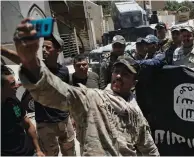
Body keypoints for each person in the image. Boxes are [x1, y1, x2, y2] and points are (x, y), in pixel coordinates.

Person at [13, 18, 160, 156]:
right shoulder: (93, 99)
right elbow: (59, 92)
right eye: (117, 71)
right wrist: (32, 65)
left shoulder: (135, 113)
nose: (119, 76)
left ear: (134, 83)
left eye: (126, 74)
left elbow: (149, 148)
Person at [28, 33, 75, 156]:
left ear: (58, 50)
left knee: (70, 152)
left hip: (64, 120)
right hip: (45, 123)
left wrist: (72, 115)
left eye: (48, 48)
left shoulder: (64, 71)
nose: (44, 50)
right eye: (43, 47)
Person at [1, 65, 44, 156]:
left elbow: (27, 124)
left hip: (29, 152)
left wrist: (38, 149)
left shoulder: (13, 101)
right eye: (12, 84)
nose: (17, 85)